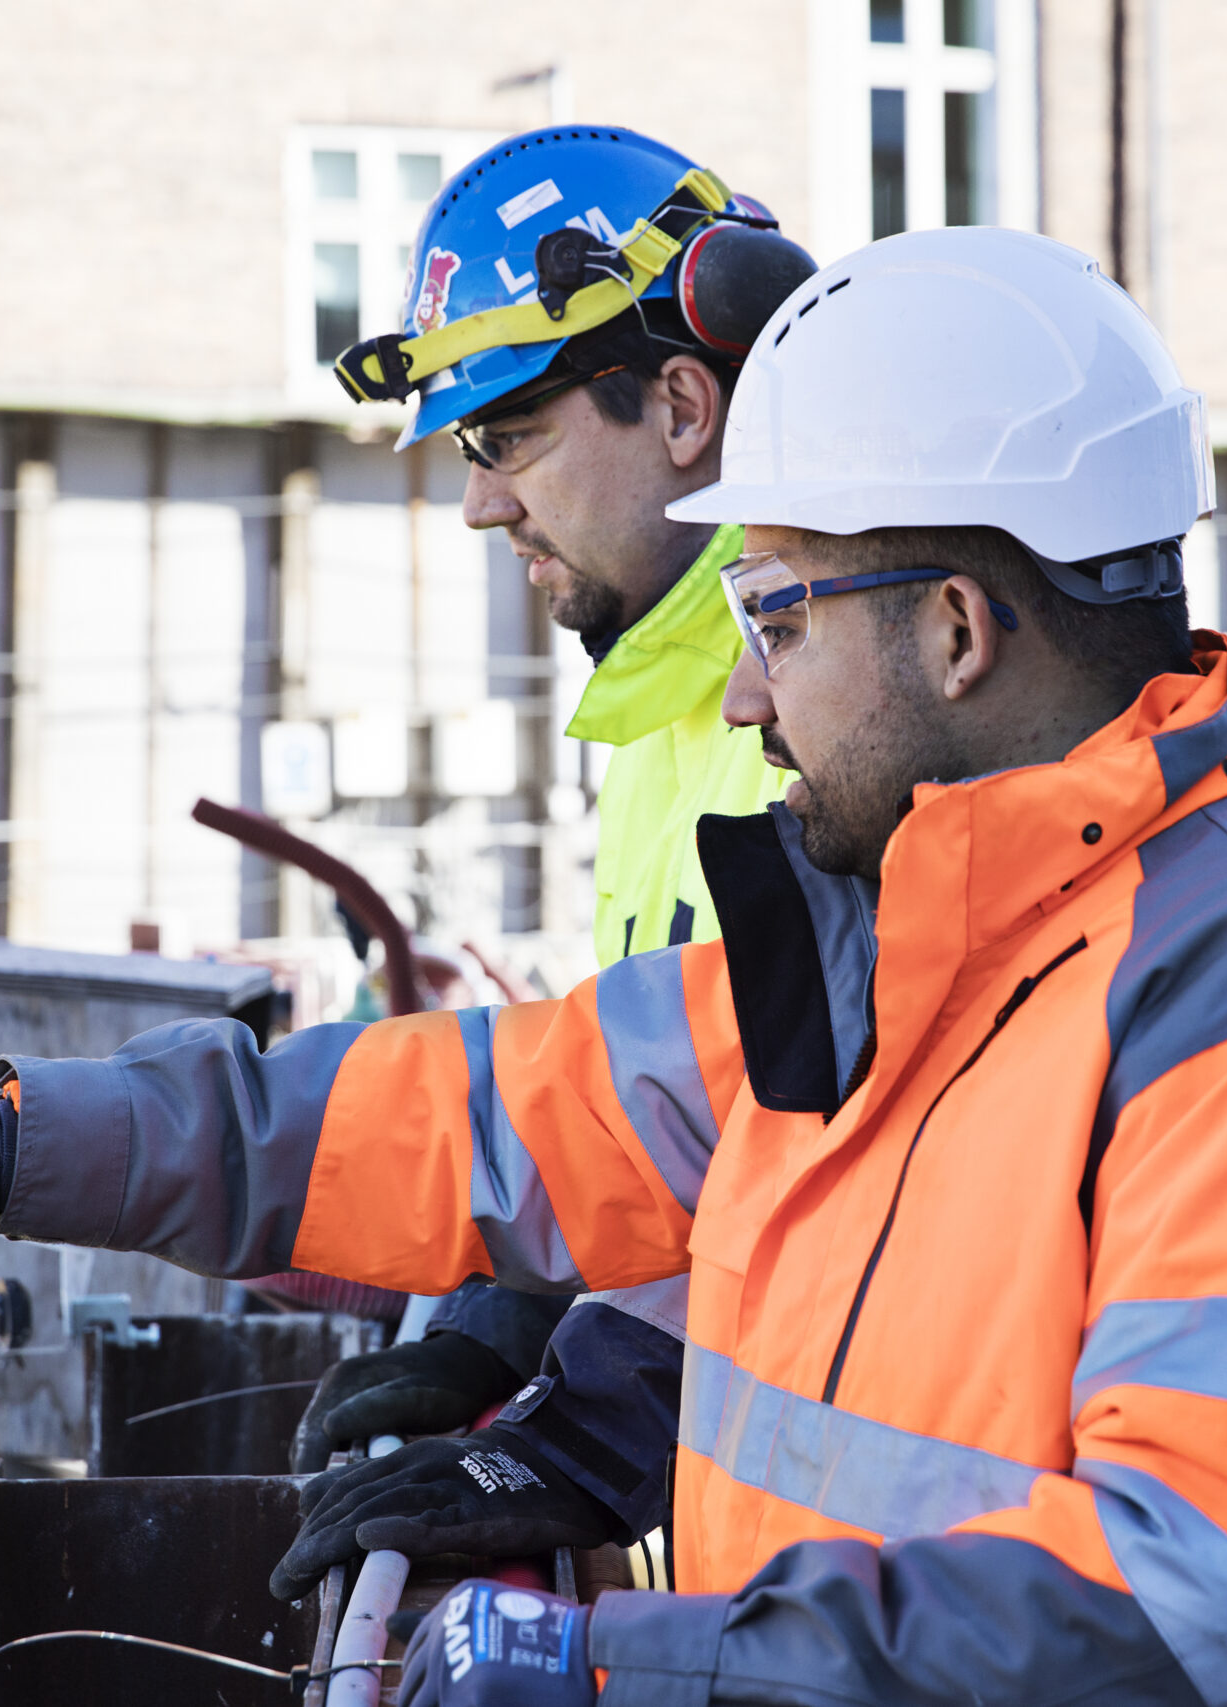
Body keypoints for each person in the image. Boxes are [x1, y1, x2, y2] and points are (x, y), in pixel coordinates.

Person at [0, 227, 1227, 1705]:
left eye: (776, 610)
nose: (736, 685)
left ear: (960, 627)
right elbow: (494, 1105)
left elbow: (1184, 1601)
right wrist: (13, 1151)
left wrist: (620, 1671)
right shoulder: (935, 948)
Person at [289, 123, 827, 1474]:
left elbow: (847, 1194)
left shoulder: (843, 722)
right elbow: (658, 1134)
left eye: (509, 435)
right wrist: (513, 1311)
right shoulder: (653, 725)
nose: (479, 504)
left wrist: (593, 1417)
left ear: (686, 410)